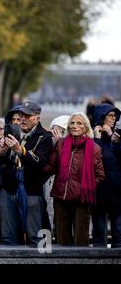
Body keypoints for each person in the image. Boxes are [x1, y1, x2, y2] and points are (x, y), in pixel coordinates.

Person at [0, 100, 53, 245]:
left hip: (31, 190)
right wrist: (1, 152)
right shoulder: (11, 132)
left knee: (35, 237)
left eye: (27, 116)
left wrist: (20, 150)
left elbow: (40, 163)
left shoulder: (44, 137)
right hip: (8, 188)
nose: (23, 119)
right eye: (21, 115)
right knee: (7, 237)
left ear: (37, 118)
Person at [44, 112, 104, 245]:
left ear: (85, 128)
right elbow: (50, 167)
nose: (74, 126)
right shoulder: (60, 144)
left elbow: (100, 176)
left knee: (81, 240)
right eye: (72, 123)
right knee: (62, 239)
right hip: (61, 197)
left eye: (79, 123)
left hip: (81, 199)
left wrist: (87, 188)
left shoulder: (94, 149)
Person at [92, 103, 121, 248]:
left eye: (115, 116)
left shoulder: (118, 136)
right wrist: (96, 139)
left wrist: (111, 137)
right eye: (110, 116)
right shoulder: (92, 137)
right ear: (101, 117)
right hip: (98, 191)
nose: (114, 119)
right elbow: (91, 160)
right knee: (98, 233)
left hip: (117, 191)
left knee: (118, 232)